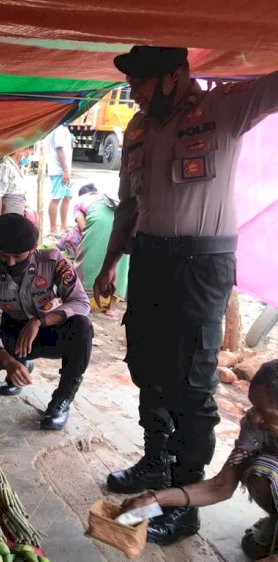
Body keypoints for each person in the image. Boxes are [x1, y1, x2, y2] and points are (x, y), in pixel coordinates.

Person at [95, 46, 278, 544]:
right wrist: (111, 262)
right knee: (148, 368)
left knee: (191, 384)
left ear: (176, 75)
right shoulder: (137, 129)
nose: (134, 93)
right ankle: (155, 463)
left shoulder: (224, 108)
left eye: (144, 83)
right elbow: (129, 205)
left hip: (202, 263)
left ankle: (186, 499)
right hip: (149, 260)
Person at [121, 360, 278, 558]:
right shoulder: (255, 425)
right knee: (263, 472)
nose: (254, 416)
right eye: (254, 406)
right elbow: (220, 486)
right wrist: (153, 499)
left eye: (265, 412)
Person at [0, 213, 93, 430]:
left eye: (18, 256)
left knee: (82, 327)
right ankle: (21, 364)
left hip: (49, 329)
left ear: (33, 249)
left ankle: (62, 400)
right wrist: (6, 360)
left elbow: (80, 302)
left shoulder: (53, 260)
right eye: (4, 255)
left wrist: (39, 321)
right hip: (15, 335)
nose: (10, 262)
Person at [57, 183, 102, 259]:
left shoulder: (79, 203)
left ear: (81, 196)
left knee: (70, 238)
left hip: (90, 238)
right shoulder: (102, 198)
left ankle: (73, 259)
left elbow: (84, 229)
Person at [45, 123, 74, 234]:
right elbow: (59, 149)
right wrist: (65, 170)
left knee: (67, 196)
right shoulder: (59, 129)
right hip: (59, 170)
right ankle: (52, 228)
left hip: (63, 170)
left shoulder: (63, 128)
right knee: (56, 198)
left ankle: (64, 226)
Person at [0, 152, 28, 221]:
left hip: (18, 213)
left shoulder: (18, 166)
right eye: (29, 154)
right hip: (8, 213)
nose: (28, 157)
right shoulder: (5, 165)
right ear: (22, 150)